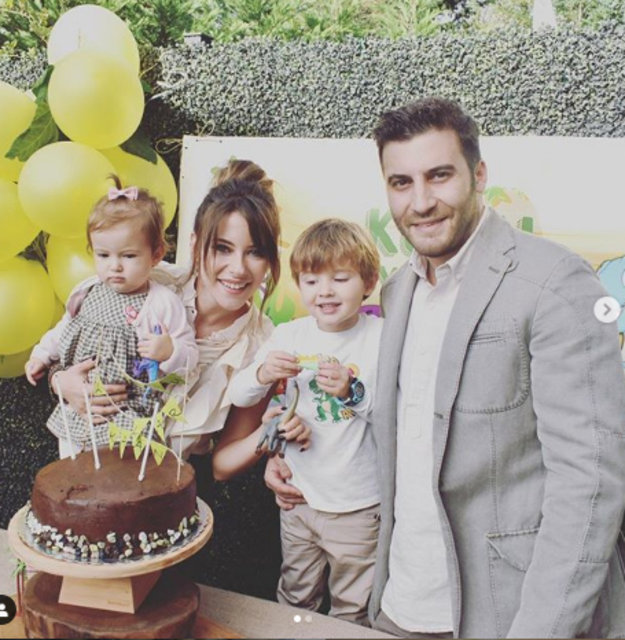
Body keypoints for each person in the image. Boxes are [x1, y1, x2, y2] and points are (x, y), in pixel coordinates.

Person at [267, 97, 625, 638]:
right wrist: (295, 462)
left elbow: (589, 484)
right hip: (397, 603)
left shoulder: (555, 282)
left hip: (504, 615)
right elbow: (399, 433)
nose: (422, 201)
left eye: (439, 175)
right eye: (401, 182)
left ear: (478, 175)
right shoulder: (399, 291)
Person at [47, 159, 307, 458]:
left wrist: (273, 431)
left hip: (166, 477)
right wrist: (61, 381)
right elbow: (69, 340)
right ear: (195, 244)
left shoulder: (263, 343)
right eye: (222, 248)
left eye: (255, 252)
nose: (238, 268)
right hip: (87, 453)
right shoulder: (144, 281)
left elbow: (223, 464)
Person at [216, 218, 383, 625]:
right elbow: (238, 395)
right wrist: (262, 374)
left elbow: (395, 415)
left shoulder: (381, 337)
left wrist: (350, 391)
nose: (324, 291)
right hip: (297, 498)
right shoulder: (289, 336)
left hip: (358, 506)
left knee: (353, 607)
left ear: (368, 281)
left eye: (340, 279)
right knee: (294, 595)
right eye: (311, 281)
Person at [25, 177, 198, 458]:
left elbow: (191, 358)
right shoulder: (88, 290)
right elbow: (65, 328)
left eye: (128, 256)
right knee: (72, 471)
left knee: (118, 475)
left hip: (127, 414)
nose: (114, 266)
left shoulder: (162, 303)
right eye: (103, 255)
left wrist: (170, 351)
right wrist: (42, 355)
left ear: (155, 255)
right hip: (79, 409)